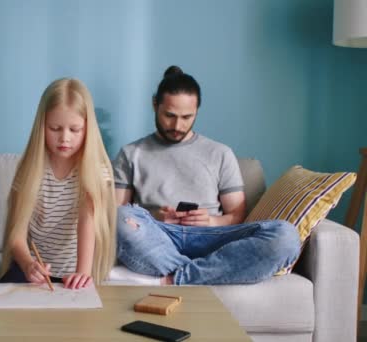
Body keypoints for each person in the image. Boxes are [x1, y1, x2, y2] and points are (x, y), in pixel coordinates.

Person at [114, 65, 300, 285]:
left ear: (197, 110)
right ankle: (211, 272)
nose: (177, 125)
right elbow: (118, 211)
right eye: (169, 116)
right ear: (155, 105)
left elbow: (236, 215)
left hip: (213, 238)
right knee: (117, 219)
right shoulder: (131, 153)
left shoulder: (220, 153)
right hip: (159, 236)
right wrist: (156, 217)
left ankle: (173, 278)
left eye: (186, 117)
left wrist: (210, 220)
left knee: (286, 236)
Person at [0, 78, 116, 289]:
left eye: (75, 129)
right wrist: (28, 265)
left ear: (88, 128)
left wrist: (82, 273)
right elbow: (16, 235)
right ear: (42, 126)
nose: (64, 138)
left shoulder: (96, 171)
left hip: (74, 273)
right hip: (31, 271)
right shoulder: (29, 169)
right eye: (55, 128)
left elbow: (87, 224)